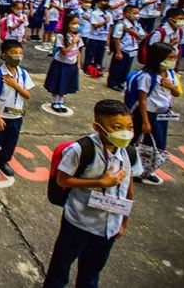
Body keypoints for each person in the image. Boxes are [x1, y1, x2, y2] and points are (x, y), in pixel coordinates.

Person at [42, 99, 141, 288]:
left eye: (129, 126)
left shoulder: (129, 152)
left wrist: (123, 221)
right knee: (61, 265)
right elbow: (63, 180)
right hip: (78, 221)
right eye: (117, 127)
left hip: (108, 227)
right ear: (98, 126)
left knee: (92, 271)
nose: (125, 132)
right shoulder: (81, 150)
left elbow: (129, 188)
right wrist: (99, 182)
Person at [0, 39, 34, 180]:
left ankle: (3, 160)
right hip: (1, 115)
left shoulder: (23, 74)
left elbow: (27, 95)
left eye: (20, 53)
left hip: (17, 115)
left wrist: (15, 85)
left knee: (11, 142)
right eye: (13, 53)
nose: (17, 56)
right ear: (4, 55)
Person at [132, 42, 182, 186]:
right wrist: (146, 122)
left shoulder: (171, 74)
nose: (172, 61)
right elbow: (142, 100)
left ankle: (149, 170)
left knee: (158, 145)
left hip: (163, 113)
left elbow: (177, 93)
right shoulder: (147, 76)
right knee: (143, 143)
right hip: (149, 114)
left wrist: (171, 86)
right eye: (170, 58)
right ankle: (138, 169)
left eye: (174, 58)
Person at [43, 15, 84, 113]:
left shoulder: (78, 36)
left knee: (65, 83)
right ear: (67, 24)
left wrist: (78, 64)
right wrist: (73, 42)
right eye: (73, 23)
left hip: (71, 63)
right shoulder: (61, 36)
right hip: (61, 63)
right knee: (57, 82)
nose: (76, 26)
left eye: (77, 23)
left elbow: (78, 51)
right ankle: (54, 101)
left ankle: (61, 101)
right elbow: (64, 52)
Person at [107, 5, 144, 91]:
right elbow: (116, 38)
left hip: (132, 49)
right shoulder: (121, 24)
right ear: (127, 14)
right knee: (117, 67)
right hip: (123, 49)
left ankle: (121, 82)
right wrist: (118, 52)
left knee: (126, 68)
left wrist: (133, 33)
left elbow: (141, 36)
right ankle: (113, 83)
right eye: (134, 13)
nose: (137, 15)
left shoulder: (136, 24)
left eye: (137, 13)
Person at [84, 0, 112, 75]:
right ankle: (87, 68)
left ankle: (97, 68)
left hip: (103, 37)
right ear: (99, 4)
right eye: (104, 2)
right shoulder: (95, 13)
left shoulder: (109, 14)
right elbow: (95, 25)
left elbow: (110, 27)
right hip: (94, 37)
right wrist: (105, 22)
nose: (106, 4)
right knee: (90, 54)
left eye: (107, 2)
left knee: (100, 54)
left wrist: (108, 39)